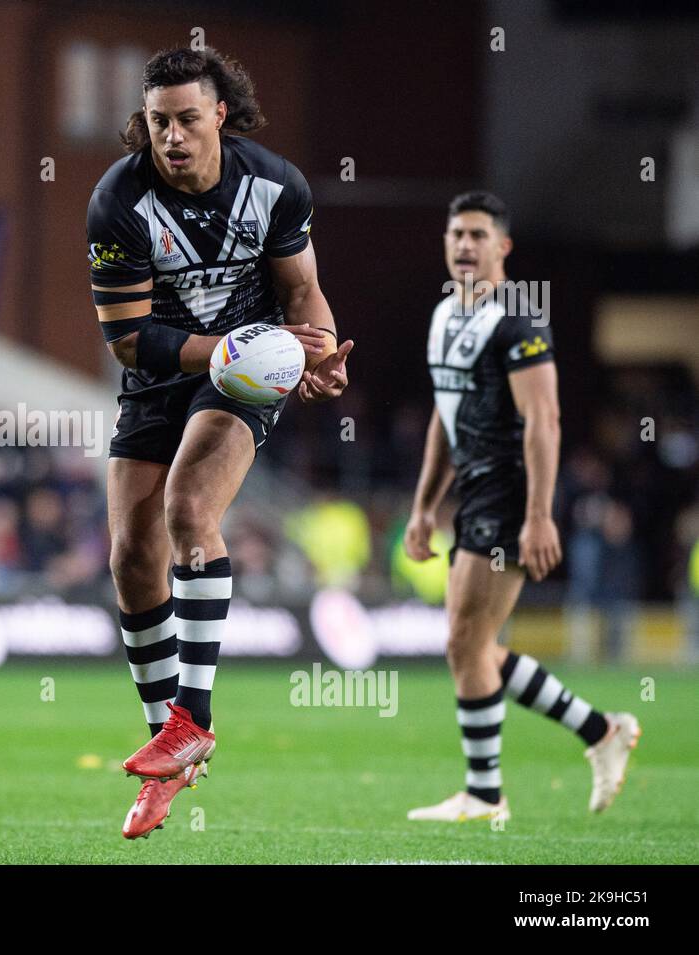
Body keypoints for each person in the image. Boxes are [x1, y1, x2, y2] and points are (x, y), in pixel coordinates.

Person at [86, 47, 353, 839]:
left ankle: (192, 721)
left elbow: (302, 291)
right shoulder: (118, 201)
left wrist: (323, 352)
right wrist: (232, 342)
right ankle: (167, 739)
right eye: (159, 120)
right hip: (163, 368)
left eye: (187, 120)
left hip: (241, 374)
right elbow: (129, 339)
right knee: (130, 553)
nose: (171, 136)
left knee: (188, 507)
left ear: (220, 118)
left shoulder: (275, 185)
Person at [404, 191, 639, 822]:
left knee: (465, 641)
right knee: (470, 645)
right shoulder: (442, 316)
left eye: (478, 235)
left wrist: (539, 513)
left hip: (508, 492)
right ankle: (599, 732)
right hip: (473, 492)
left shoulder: (518, 318)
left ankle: (486, 794)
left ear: (502, 247)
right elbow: (444, 417)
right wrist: (425, 506)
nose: (464, 245)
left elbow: (545, 418)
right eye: (456, 234)